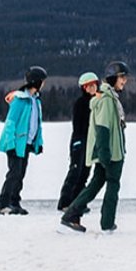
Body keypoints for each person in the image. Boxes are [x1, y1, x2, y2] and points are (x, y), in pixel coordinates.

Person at [59, 61, 129, 234]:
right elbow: (103, 128)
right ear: (113, 78)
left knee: (95, 184)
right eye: (122, 77)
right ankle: (107, 224)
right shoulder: (106, 100)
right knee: (112, 185)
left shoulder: (109, 98)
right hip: (111, 154)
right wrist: (105, 154)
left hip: (112, 151)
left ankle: (70, 216)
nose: (125, 81)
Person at [0, 66, 47, 215]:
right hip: (15, 143)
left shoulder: (35, 101)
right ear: (35, 82)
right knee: (14, 173)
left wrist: (38, 142)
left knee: (21, 174)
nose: (43, 84)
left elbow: (37, 124)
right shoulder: (20, 100)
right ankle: (4, 204)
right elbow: (10, 123)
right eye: (42, 81)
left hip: (26, 143)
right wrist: (10, 144)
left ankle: (14, 202)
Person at [57, 72, 100, 210]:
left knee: (85, 173)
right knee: (76, 171)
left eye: (94, 85)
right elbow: (79, 126)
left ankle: (77, 202)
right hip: (80, 140)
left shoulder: (97, 102)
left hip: (91, 142)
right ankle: (65, 202)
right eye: (90, 86)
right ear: (84, 88)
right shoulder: (81, 103)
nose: (93, 88)